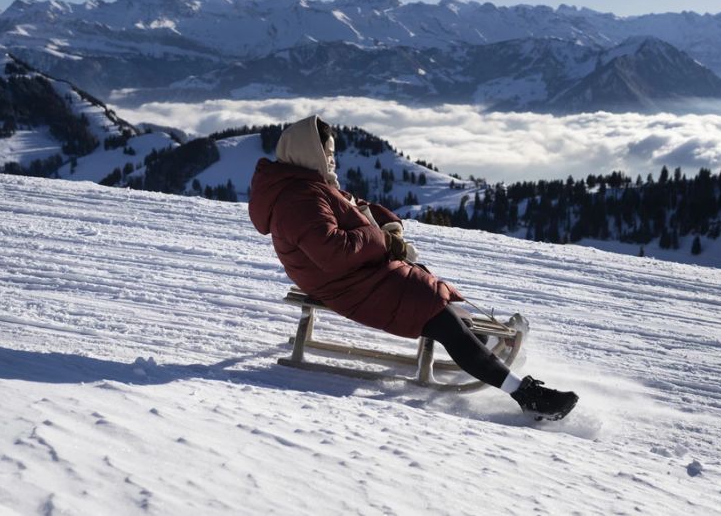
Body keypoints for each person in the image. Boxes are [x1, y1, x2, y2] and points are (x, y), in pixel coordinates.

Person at [248, 115, 578, 420]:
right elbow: (333, 251)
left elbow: (351, 208)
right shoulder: (300, 199)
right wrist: (380, 238)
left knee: (435, 294)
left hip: (357, 274)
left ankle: (483, 345)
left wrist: (386, 226)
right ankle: (526, 396)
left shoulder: (309, 185)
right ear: (310, 153)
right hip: (345, 284)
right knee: (439, 317)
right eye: (328, 153)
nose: (332, 160)